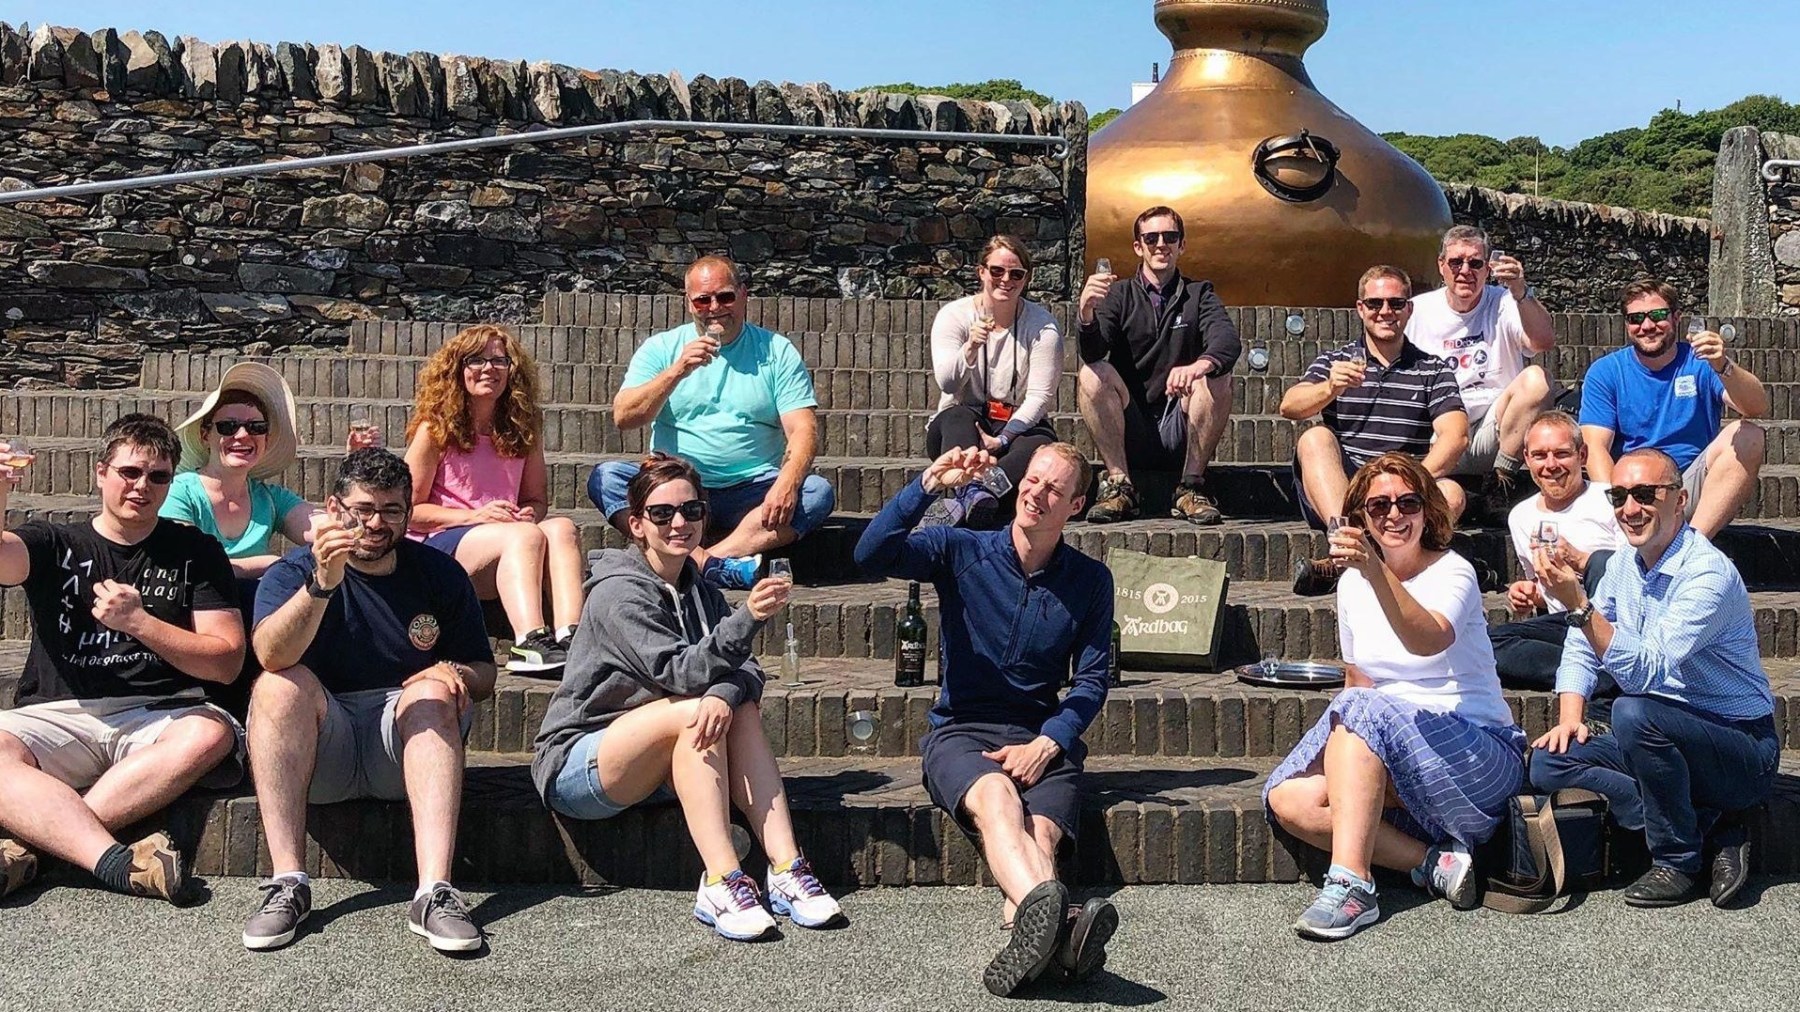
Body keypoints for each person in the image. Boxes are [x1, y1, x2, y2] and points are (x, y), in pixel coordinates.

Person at [534, 452, 843, 942]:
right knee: (702, 706)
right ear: (635, 524)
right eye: (662, 513)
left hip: (658, 752)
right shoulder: (618, 593)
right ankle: (721, 879)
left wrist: (725, 690)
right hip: (581, 762)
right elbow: (678, 672)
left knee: (731, 704)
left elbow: (745, 670)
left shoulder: (696, 586)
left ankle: (786, 868)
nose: (680, 523)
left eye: (692, 510)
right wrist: (749, 621)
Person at [854, 442, 1118, 997]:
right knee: (998, 799)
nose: (1036, 493)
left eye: (1054, 488)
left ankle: (1038, 940)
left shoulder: (1091, 580)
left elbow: (1091, 681)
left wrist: (1050, 742)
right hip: (961, 731)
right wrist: (926, 485)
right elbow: (870, 555)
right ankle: (1066, 933)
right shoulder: (961, 549)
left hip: (1043, 736)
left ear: (1076, 505)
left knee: (1040, 835)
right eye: (1032, 479)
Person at [243, 448, 496, 952]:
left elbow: (485, 672)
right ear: (333, 509)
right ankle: (287, 882)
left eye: (391, 510)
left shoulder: (439, 573)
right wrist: (321, 586)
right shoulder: (292, 573)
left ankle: (434, 893)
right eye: (363, 509)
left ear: (408, 511)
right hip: (321, 746)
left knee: (432, 688)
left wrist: (453, 671)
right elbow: (271, 654)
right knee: (276, 684)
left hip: (400, 744)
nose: (376, 523)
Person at [1265, 452, 1524, 941]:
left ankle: (1351, 884)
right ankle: (1433, 862)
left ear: (1427, 510)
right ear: (1361, 515)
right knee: (1290, 797)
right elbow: (1357, 683)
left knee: (1361, 711)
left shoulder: (1454, 572)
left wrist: (1375, 573)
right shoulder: (1350, 586)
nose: (1393, 515)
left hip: (1479, 756)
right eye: (1378, 505)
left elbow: (1427, 638)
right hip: (1395, 750)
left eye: (1407, 502)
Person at [0, 415, 245, 905]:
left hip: (161, 713)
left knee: (211, 733)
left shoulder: (194, 550)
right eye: (130, 472)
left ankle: (36, 847)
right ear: (100, 473)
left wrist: (140, 623)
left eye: (158, 477)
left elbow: (226, 662)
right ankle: (114, 862)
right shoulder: (53, 541)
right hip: (61, 713)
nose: (142, 487)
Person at [1527, 448, 1776, 909]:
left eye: (1645, 494)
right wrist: (1569, 717)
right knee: (1549, 762)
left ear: (1679, 501)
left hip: (1737, 745)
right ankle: (1710, 826)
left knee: (1633, 710)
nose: (1630, 507)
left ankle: (1677, 860)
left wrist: (1580, 606)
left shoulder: (1705, 573)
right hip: (1661, 731)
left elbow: (1647, 670)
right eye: (1619, 495)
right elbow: (1583, 646)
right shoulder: (1624, 564)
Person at [591, 255, 834, 589]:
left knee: (816, 492)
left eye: (725, 296)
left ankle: (705, 561)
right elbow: (624, 416)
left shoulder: (776, 351)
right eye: (703, 300)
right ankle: (714, 566)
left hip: (751, 488)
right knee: (606, 477)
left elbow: (803, 428)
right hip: (677, 485)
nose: (715, 307)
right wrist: (677, 371)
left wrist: (788, 482)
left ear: (744, 294)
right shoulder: (662, 348)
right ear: (688, 302)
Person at [163, 362, 380, 714]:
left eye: (256, 427)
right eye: (228, 426)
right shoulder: (180, 492)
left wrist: (355, 472)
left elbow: (326, 529)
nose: (243, 436)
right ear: (206, 435)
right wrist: (267, 564)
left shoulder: (269, 497)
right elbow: (184, 563)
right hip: (196, 618)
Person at [404, 324, 584, 674]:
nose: (489, 369)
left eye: (500, 361)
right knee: (525, 535)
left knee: (561, 528)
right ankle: (529, 642)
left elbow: (536, 499)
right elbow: (406, 511)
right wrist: (474, 516)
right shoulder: (434, 428)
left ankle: (571, 636)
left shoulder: (523, 428)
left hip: (505, 543)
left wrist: (529, 513)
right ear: (458, 369)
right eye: (476, 360)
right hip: (439, 549)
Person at [1281, 266, 1469, 596]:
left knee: (1452, 493)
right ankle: (1347, 543)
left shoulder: (1432, 368)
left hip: (1407, 488)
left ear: (1409, 309)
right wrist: (1330, 387)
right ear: (1360, 308)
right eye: (1375, 303)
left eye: (1396, 303)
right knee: (1315, 437)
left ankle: (1347, 562)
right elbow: (1290, 406)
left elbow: (1456, 435)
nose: (1385, 311)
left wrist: (1410, 485)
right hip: (1347, 492)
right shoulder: (1336, 361)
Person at [1076, 205, 1240, 525]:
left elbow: (1228, 342)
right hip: (1132, 424)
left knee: (1218, 376)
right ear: (1139, 247)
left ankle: (1191, 487)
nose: (1161, 244)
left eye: (1170, 236)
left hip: (1181, 426)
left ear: (1182, 244)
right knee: (1093, 373)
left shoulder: (1198, 294)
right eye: (1151, 237)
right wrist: (1085, 315)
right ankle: (1120, 486)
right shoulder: (1119, 294)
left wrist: (1198, 367)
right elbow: (1093, 352)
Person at [1579, 279, 1768, 539]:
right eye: (1636, 318)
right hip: (1634, 493)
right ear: (1627, 324)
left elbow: (1756, 407)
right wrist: (1620, 502)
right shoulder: (1606, 372)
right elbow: (1595, 448)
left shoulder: (1701, 362)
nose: (1647, 326)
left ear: (1676, 317)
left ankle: (1693, 545)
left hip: (1687, 487)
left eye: (1657, 315)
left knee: (1749, 435)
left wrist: (1722, 365)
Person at [1405, 225, 1556, 511]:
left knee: (1538, 379)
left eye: (1475, 263)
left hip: (1496, 432)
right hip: (1439, 435)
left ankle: (1501, 483)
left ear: (1488, 269)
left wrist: (1522, 291)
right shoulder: (1416, 311)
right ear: (1441, 266)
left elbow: (1543, 342)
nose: (1465, 271)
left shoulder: (1506, 301)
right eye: (1456, 262)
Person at [924, 235, 1062, 527]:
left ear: (1026, 279)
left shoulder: (1043, 325)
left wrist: (1003, 438)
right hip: (962, 421)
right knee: (957, 417)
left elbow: (1039, 397)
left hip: (1018, 421)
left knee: (1038, 444)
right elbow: (948, 384)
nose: (1006, 280)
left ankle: (974, 494)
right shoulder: (954, 316)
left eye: (1016, 274)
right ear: (982, 272)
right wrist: (970, 348)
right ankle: (973, 493)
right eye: (997, 271)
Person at [1489, 411, 1621, 689]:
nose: (1551, 465)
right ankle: (1604, 678)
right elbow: (1545, 592)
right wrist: (1528, 594)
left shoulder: (1611, 499)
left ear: (1582, 455)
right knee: (1489, 644)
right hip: (1566, 625)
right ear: (1526, 459)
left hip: (1617, 621)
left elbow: (1638, 573)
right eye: (1540, 456)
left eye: (1561, 454)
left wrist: (1580, 560)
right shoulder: (1520, 516)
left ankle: (1607, 666)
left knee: (1603, 561)